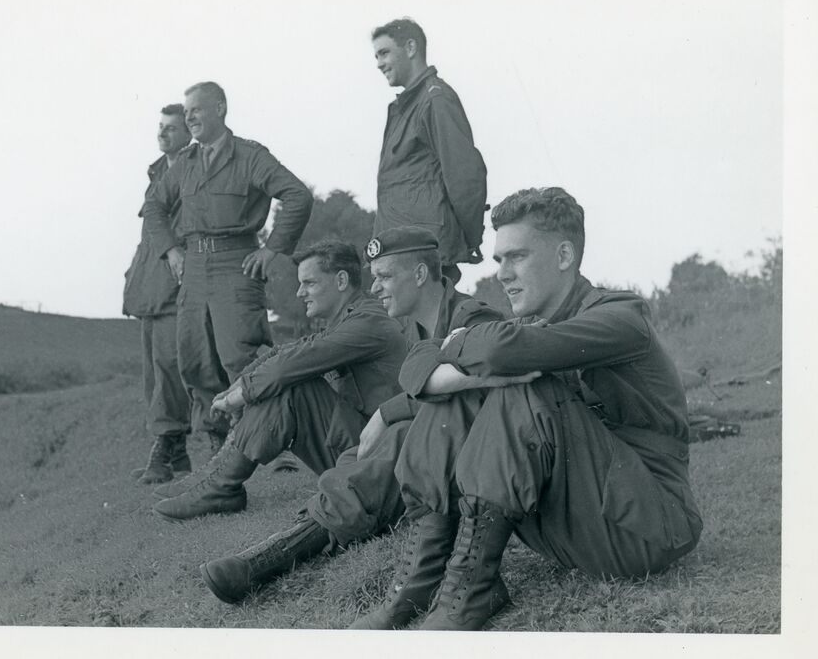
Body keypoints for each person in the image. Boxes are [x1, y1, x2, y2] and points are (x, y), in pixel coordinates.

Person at [352, 187, 703, 631]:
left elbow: (500, 351)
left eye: (516, 257)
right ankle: (422, 579)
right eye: (499, 260)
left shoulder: (621, 318)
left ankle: (471, 591)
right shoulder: (532, 325)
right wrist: (468, 372)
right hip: (576, 521)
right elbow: (417, 363)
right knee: (469, 389)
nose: (502, 274)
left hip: (649, 528)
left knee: (522, 383)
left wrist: (461, 346)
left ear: (564, 256)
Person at [198, 227, 524, 604]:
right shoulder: (409, 324)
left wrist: (388, 412)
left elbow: (483, 388)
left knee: (406, 432)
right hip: (413, 461)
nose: (375, 287)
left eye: (385, 276)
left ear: (420, 274)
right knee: (383, 443)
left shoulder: (472, 315)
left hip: (464, 464)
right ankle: (301, 522)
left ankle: (279, 554)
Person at [151, 240, 409, 522]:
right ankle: (215, 478)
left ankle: (222, 486)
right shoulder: (347, 320)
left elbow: (290, 366)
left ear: (341, 281)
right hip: (363, 451)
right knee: (279, 380)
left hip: (383, 463)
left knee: (293, 386)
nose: (300, 292)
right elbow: (286, 353)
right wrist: (239, 386)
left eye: (309, 283)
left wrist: (240, 395)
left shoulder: (368, 321)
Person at [143, 81, 313, 454]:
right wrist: (171, 250)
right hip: (193, 269)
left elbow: (297, 195)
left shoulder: (249, 156)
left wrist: (273, 250)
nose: (190, 118)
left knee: (242, 356)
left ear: (219, 108)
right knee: (196, 359)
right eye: (186, 113)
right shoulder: (186, 162)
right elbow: (154, 205)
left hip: (237, 264)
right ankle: (219, 445)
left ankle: (277, 442)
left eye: (196, 110)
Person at [371, 18, 488, 284]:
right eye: (376, 56)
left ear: (411, 48)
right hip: (398, 252)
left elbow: (466, 177)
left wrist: (468, 239)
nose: (379, 63)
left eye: (384, 53)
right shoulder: (404, 108)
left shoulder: (435, 100)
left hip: (424, 256)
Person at [123, 104, 193, 484]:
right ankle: (176, 455)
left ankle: (165, 447)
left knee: (170, 366)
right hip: (150, 282)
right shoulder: (157, 172)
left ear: (189, 133)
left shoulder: (193, 169)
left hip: (174, 281)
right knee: (153, 371)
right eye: (160, 127)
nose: (162, 134)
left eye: (171, 128)